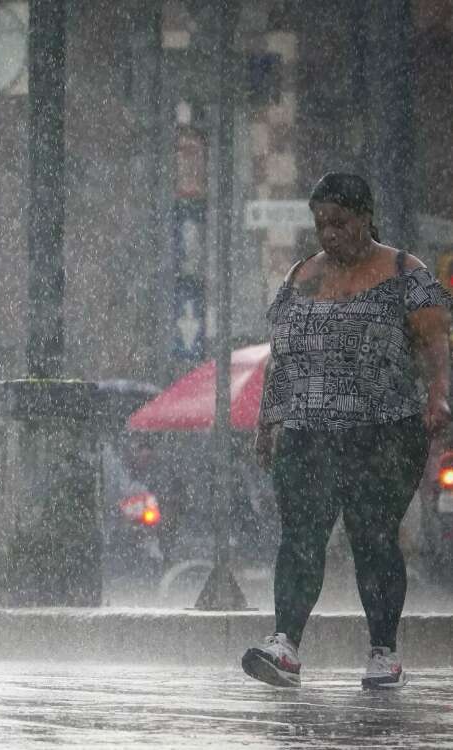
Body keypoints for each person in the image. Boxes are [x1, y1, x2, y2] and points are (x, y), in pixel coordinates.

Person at [244, 173, 452, 690]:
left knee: (373, 535)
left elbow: (433, 345)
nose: (329, 233)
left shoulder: (407, 272)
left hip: (384, 430)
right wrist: (269, 420)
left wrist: (436, 395)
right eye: (321, 223)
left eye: (339, 222)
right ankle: (284, 645)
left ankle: (384, 652)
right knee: (300, 538)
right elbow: (280, 358)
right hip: (308, 428)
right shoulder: (299, 277)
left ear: (364, 218)